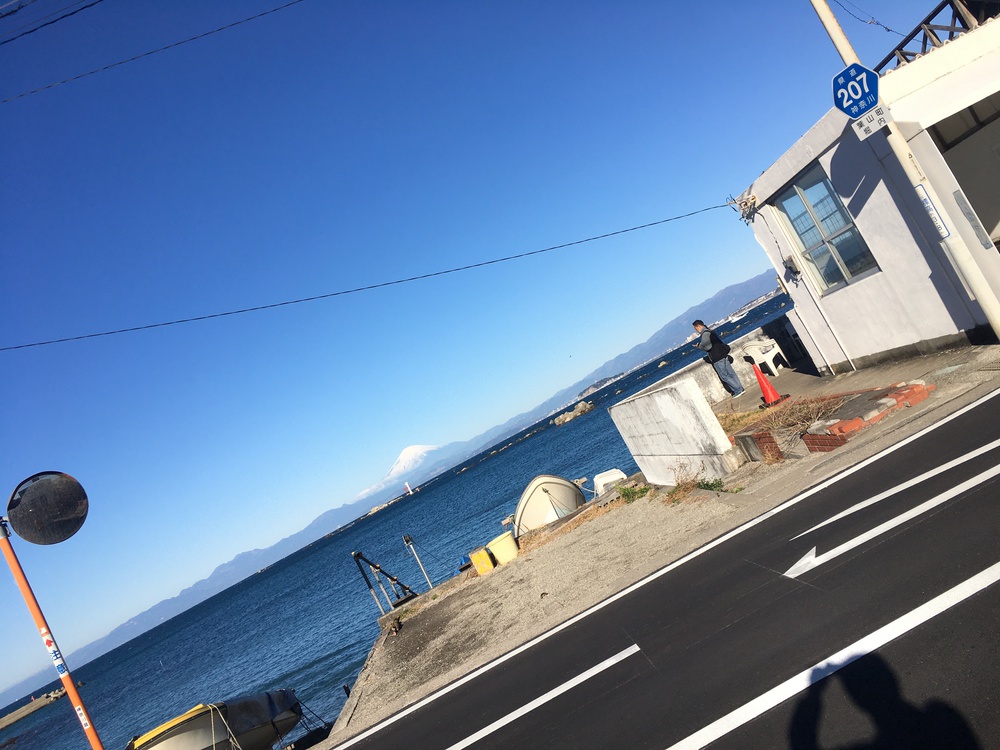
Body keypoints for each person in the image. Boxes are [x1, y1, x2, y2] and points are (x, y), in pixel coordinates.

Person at [692, 319, 744, 397]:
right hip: (723, 354)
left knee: (724, 376)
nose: (696, 330)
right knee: (731, 373)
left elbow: (707, 347)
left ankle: (738, 390)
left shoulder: (705, 334)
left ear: (698, 326)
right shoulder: (710, 331)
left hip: (717, 357)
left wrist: (699, 346)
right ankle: (740, 388)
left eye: (695, 328)